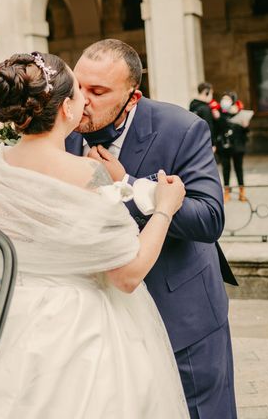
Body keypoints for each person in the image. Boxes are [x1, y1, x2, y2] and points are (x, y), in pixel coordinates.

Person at [0, 52, 189, 418]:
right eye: (78, 92)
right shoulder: (88, 174)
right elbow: (127, 275)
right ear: (67, 109)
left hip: (9, 319)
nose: (85, 99)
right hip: (80, 326)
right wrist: (165, 207)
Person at [68, 39, 237, 418]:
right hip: (99, 317)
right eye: (78, 86)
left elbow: (209, 218)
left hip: (179, 309)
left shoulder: (182, 128)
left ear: (132, 98)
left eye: (98, 91)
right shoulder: (63, 131)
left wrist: (127, 184)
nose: (82, 100)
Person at [216, 91, 249, 202]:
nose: (224, 101)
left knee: (238, 168)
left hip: (238, 146)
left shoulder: (239, 113)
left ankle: (242, 191)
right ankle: (226, 192)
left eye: (227, 99)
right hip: (224, 146)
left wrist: (245, 126)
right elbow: (219, 128)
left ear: (233, 101)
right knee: (226, 169)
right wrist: (221, 116)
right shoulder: (220, 113)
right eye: (223, 99)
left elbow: (245, 132)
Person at [189, 82, 217, 150]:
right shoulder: (205, 108)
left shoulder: (192, 105)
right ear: (206, 92)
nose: (211, 96)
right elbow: (208, 127)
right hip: (205, 143)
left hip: (195, 141)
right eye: (211, 93)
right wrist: (212, 143)